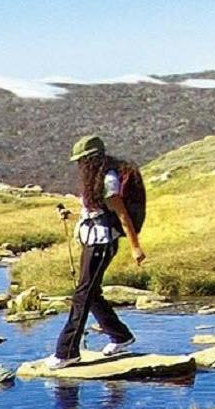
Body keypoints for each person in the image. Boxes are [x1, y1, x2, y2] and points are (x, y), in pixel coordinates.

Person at [39, 134, 145, 369]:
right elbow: (96, 213)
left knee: (83, 294)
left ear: (91, 160)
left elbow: (122, 216)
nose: (79, 166)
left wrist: (136, 247)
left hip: (102, 242)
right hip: (93, 240)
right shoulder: (97, 179)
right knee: (91, 292)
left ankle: (67, 352)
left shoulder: (108, 180)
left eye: (81, 161)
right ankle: (121, 336)